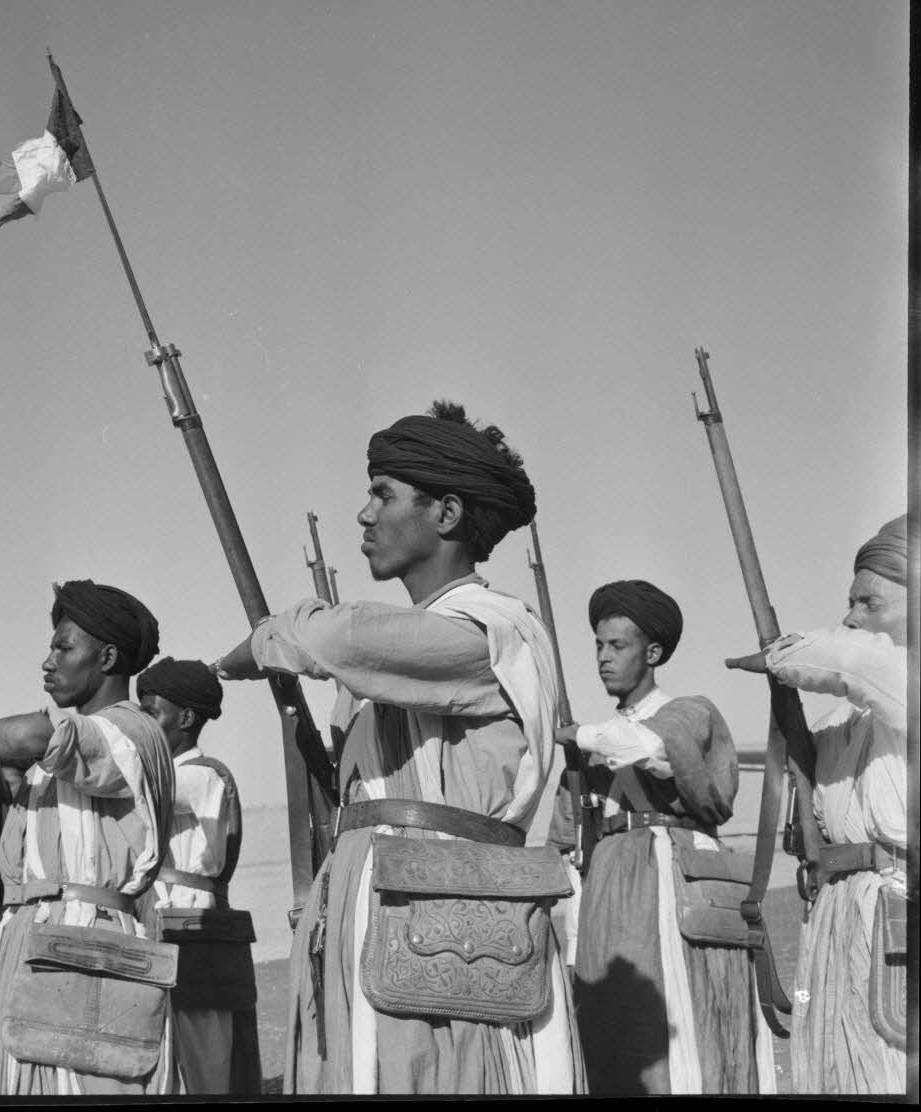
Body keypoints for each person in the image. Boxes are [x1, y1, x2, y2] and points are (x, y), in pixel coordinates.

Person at [213, 401, 582, 1095]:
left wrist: (252, 650)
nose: (364, 514)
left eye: (383, 493)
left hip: (448, 928)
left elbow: (331, 636)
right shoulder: (403, 660)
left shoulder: (492, 631)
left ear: (445, 513)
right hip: (381, 910)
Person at [0, 579, 176, 1096]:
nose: (47, 662)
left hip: (85, 943)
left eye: (63, 647)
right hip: (33, 940)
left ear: (108, 656)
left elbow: (29, 735)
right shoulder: (66, 755)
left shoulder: (129, 732)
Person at [557, 579, 775, 1094]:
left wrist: (577, 735)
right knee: (609, 1038)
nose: (603, 658)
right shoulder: (595, 748)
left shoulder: (688, 713)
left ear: (653, 652)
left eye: (618, 645)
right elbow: (564, 843)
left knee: (681, 1028)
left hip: (672, 884)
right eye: (597, 645)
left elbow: (646, 745)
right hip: (607, 892)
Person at [726, 514, 908, 1095]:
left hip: (898, 919)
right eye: (849, 602)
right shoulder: (849, 715)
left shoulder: (899, 680)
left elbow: (861, 663)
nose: (851, 617)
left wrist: (780, 654)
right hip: (838, 917)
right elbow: (813, 769)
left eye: (869, 603)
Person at [137, 657, 262, 1095]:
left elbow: (137, 787)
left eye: (150, 714)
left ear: (186, 718)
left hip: (193, 933)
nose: (143, 726)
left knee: (204, 1065)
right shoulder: (174, 775)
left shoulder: (202, 775)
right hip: (164, 929)